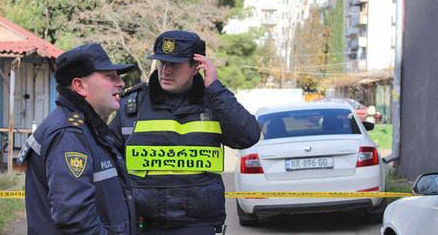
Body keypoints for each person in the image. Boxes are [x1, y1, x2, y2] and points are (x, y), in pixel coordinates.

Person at [110, 30, 261, 234]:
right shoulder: (133, 105)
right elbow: (106, 159)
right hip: (143, 224)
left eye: (174, 64)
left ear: (196, 67)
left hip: (198, 224)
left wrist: (215, 88)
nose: (165, 71)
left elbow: (248, 136)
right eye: (162, 62)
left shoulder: (215, 103)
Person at [17, 43, 137, 234]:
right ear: (80, 86)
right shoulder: (69, 134)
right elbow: (75, 219)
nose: (121, 83)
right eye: (110, 76)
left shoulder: (85, 127)